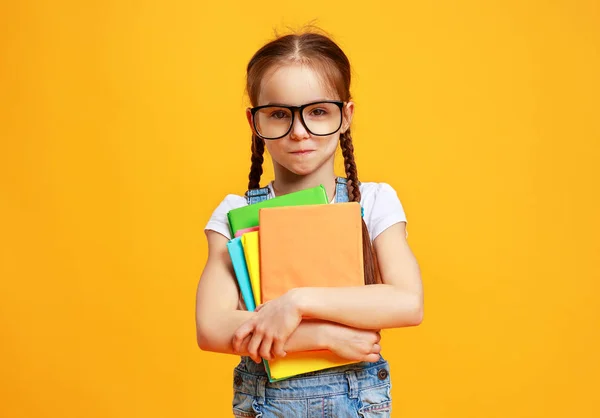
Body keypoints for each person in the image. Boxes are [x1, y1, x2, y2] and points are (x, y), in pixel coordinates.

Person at [196, 29, 423, 417]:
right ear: (255, 122)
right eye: (280, 114)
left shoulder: (373, 202)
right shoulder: (234, 213)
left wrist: (297, 302)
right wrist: (323, 336)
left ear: (345, 116)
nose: (299, 131)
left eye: (317, 111)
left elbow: (407, 301)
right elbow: (213, 327)